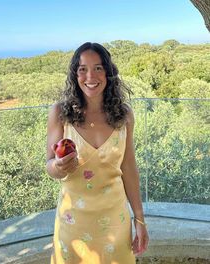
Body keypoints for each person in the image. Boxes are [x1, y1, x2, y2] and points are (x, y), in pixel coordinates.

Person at [46, 42, 149, 264]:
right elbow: (49, 166)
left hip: (115, 221)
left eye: (98, 68)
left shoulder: (124, 115)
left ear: (108, 72)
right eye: (83, 69)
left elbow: (128, 167)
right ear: (75, 74)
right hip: (72, 222)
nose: (90, 76)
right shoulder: (59, 113)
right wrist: (58, 166)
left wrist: (139, 220)